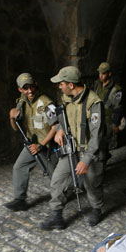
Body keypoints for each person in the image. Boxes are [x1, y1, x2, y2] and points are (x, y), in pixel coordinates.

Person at [40, 66, 106, 230]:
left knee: (91, 183)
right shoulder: (66, 98)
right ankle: (57, 216)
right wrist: (61, 130)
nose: (59, 86)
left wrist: (86, 160)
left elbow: (97, 136)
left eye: (61, 83)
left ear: (71, 84)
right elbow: (64, 119)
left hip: (91, 152)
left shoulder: (94, 103)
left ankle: (96, 209)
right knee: (57, 180)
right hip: (71, 149)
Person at [4, 73, 57, 211]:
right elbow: (17, 128)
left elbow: (56, 127)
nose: (30, 91)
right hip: (31, 145)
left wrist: (41, 145)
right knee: (19, 167)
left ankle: (64, 195)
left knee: (54, 175)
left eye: (31, 87)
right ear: (20, 89)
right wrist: (11, 118)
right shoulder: (21, 103)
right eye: (25, 88)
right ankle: (19, 200)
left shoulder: (46, 102)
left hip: (47, 145)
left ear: (36, 85)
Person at [93, 62, 123, 154]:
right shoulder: (97, 85)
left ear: (109, 74)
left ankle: (103, 163)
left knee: (106, 145)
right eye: (99, 73)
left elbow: (118, 107)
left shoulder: (116, 89)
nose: (101, 76)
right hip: (97, 119)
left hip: (108, 120)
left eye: (103, 73)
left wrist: (115, 123)